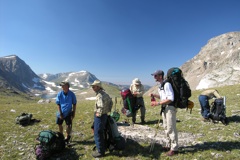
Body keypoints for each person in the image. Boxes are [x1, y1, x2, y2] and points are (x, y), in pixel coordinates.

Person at [150, 70, 179, 156]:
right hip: (165, 108)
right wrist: (155, 95)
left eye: (155, 76)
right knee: (166, 127)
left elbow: (171, 98)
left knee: (171, 128)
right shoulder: (161, 85)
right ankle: (168, 145)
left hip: (170, 108)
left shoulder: (167, 84)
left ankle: (175, 149)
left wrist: (157, 103)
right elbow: (163, 97)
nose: (154, 77)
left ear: (160, 76)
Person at [91, 80, 113, 158]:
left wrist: (98, 114)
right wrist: (108, 110)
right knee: (103, 131)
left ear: (98, 87)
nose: (92, 88)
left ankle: (100, 151)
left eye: (94, 86)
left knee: (97, 132)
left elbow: (100, 106)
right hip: (105, 115)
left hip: (100, 116)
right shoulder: (105, 93)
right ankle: (104, 146)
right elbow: (111, 102)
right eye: (92, 86)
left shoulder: (99, 95)